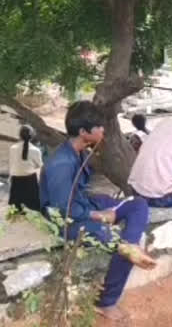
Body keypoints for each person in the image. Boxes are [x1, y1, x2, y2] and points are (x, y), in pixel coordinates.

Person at [39, 101, 156, 323]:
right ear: (84, 132)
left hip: (83, 204)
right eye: (99, 128)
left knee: (138, 204)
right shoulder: (62, 163)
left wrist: (102, 209)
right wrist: (99, 215)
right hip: (65, 219)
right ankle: (107, 300)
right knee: (113, 239)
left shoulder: (80, 152)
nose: (103, 131)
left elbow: (79, 196)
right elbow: (64, 209)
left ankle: (130, 245)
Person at [8, 124, 43, 212]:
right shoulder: (36, 150)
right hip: (29, 182)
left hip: (15, 180)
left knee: (16, 209)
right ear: (32, 136)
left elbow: (12, 164)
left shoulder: (12, 148)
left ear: (19, 135)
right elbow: (39, 165)